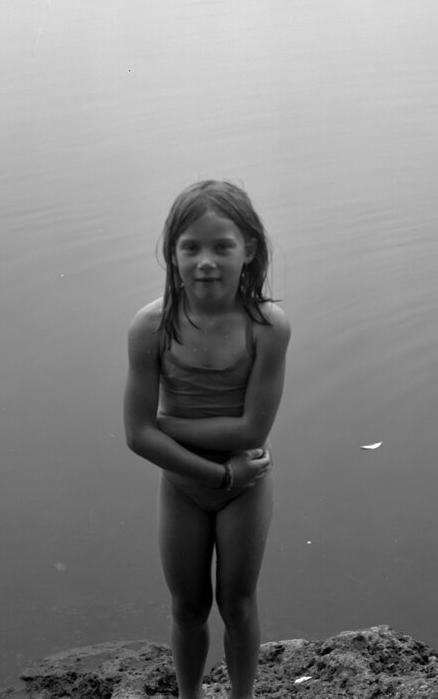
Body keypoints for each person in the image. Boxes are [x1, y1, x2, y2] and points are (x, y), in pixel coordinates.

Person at [124, 180, 290, 699]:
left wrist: (165, 428)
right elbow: (135, 438)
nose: (206, 262)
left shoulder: (266, 327)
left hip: (247, 488)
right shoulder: (152, 327)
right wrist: (218, 472)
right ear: (173, 254)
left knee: (238, 605)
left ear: (249, 250)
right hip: (186, 488)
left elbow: (250, 430)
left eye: (223, 246)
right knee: (188, 608)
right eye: (191, 247)